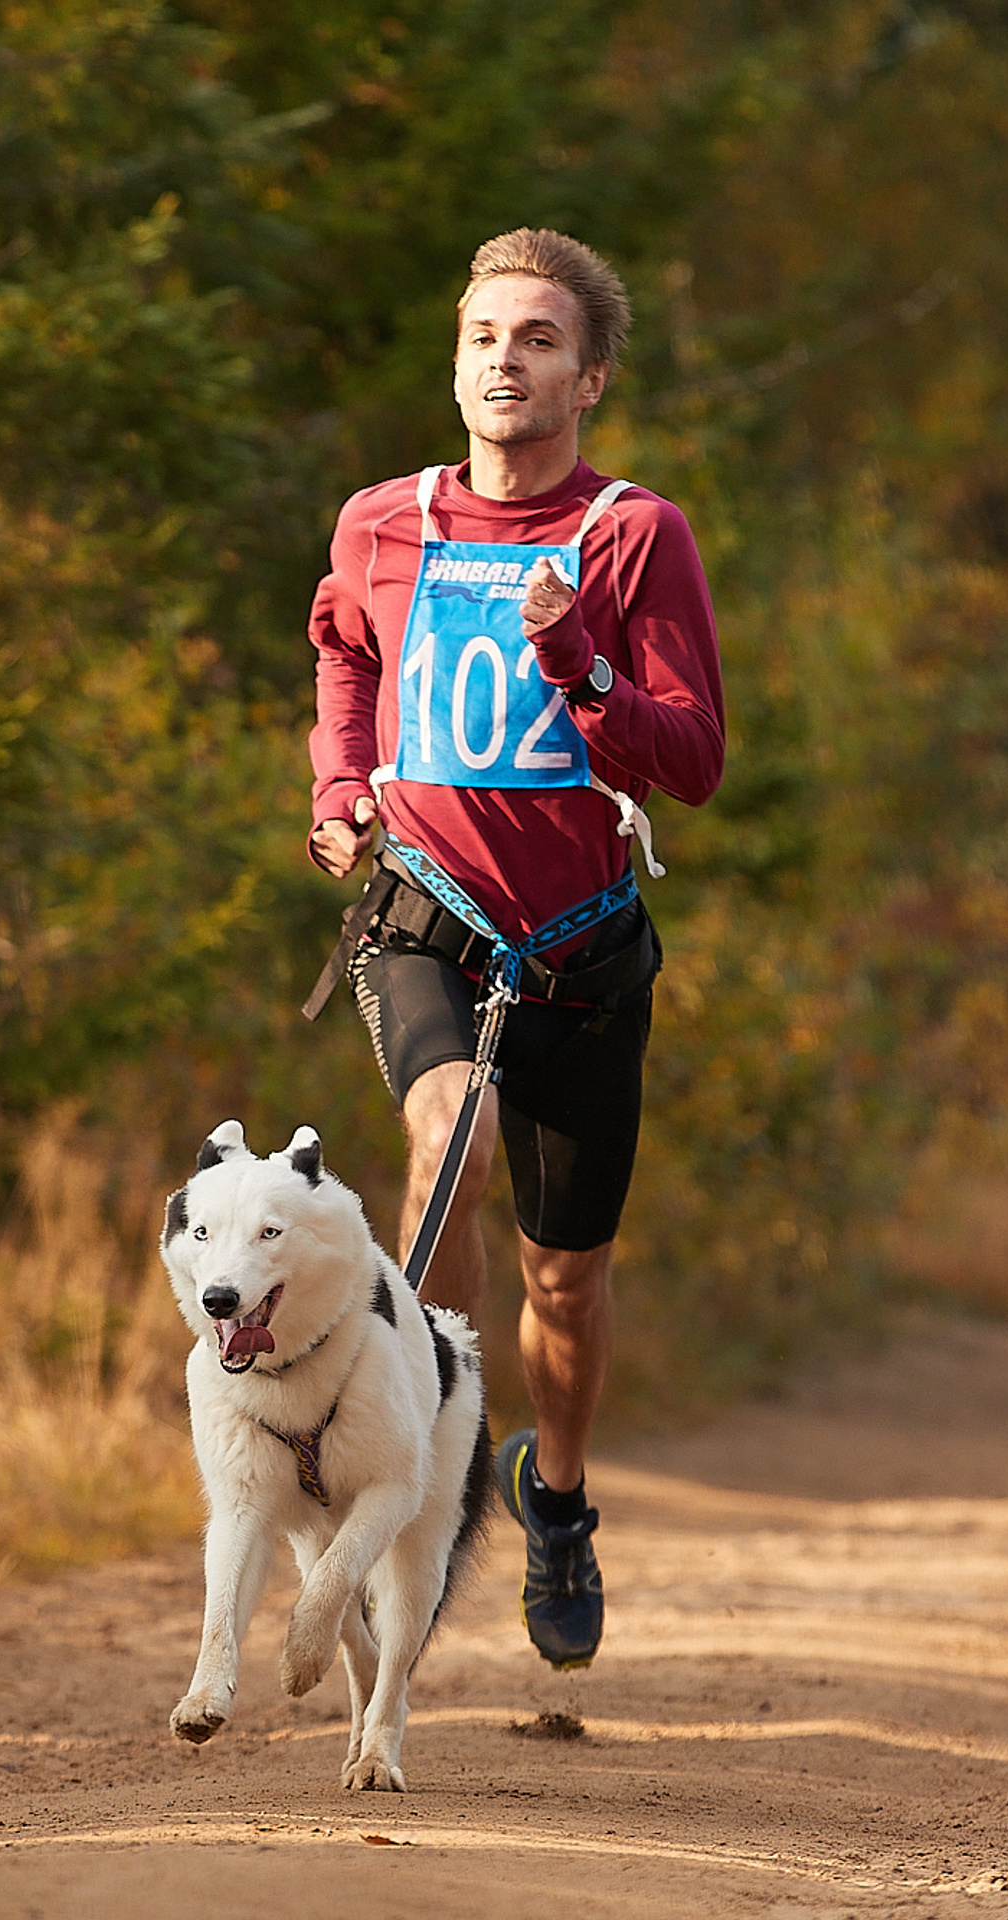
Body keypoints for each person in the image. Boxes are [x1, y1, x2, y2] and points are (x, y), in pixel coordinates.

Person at [304, 228, 725, 1668]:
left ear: (588, 378)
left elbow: (693, 759)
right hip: (428, 914)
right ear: (457, 363)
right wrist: (340, 789)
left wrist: (581, 662)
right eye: (486, 336)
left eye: (539, 340)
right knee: (449, 1145)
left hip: (582, 952)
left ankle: (557, 1495)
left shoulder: (634, 536)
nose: (506, 361)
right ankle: (432, 1478)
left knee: (566, 1283)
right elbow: (344, 653)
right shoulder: (385, 521)